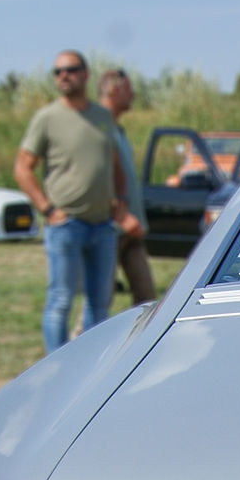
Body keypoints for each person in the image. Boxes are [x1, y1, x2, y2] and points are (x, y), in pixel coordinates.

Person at [13, 49, 128, 352]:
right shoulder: (47, 118)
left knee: (99, 305)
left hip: (102, 226)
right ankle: (56, 369)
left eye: (71, 69)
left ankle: (89, 367)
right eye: (58, 72)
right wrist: (47, 209)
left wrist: (121, 200)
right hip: (66, 225)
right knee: (60, 301)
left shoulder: (103, 117)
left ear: (85, 74)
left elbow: (114, 162)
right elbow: (22, 167)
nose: (64, 76)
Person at [97, 67, 155, 306]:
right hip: (109, 230)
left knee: (147, 301)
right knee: (99, 302)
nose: (132, 95)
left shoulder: (117, 129)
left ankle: (143, 344)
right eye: (129, 89)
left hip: (131, 231)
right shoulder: (98, 127)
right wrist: (120, 217)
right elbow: (97, 178)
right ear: (114, 89)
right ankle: (80, 342)